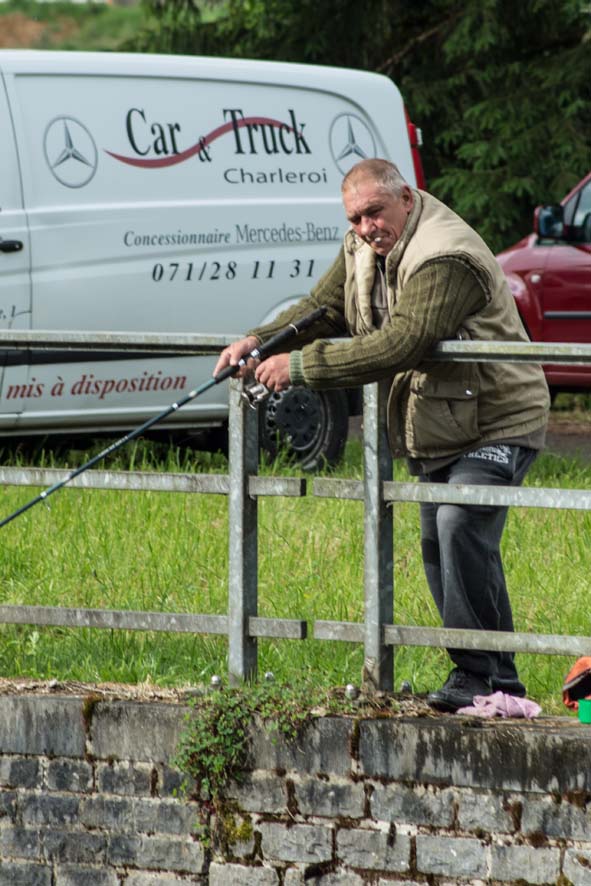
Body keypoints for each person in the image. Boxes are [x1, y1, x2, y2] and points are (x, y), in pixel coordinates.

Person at [214, 158, 550, 713]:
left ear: (407, 200)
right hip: (439, 423)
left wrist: (299, 369)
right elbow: (321, 310)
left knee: (459, 520)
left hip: (500, 418)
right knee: (442, 544)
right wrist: (258, 341)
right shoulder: (362, 247)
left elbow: (404, 343)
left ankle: (484, 678)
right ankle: (494, 682)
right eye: (356, 218)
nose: (367, 226)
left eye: (375, 212)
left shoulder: (447, 256)